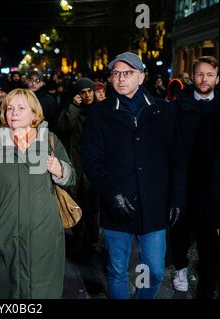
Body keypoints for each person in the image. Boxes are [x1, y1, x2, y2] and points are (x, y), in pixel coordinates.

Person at [82, 52, 185, 299]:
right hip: (116, 206)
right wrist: (112, 194)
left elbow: (177, 160)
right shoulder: (99, 113)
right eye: (115, 73)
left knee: (156, 272)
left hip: (154, 207)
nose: (120, 79)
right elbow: (91, 160)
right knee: (117, 271)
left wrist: (177, 198)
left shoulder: (164, 111)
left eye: (127, 73)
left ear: (141, 77)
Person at [0, 88, 76, 298]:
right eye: (10, 108)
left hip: (44, 234)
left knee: (41, 289)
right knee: (4, 289)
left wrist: (60, 169)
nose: (14, 113)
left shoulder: (50, 141)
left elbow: (73, 178)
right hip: (3, 230)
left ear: (34, 114)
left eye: (21, 108)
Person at [171, 56, 219, 298]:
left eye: (210, 75)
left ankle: (206, 289)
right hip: (184, 183)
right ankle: (180, 268)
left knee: (209, 241)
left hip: (212, 187)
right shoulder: (179, 106)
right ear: (192, 75)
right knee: (180, 230)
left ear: (217, 78)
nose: (204, 79)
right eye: (200, 74)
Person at [58, 78, 101, 255]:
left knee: (92, 206)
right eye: (83, 92)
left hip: (94, 165)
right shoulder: (72, 110)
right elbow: (63, 127)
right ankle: (78, 237)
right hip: (76, 164)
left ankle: (91, 240)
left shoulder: (101, 110)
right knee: (76, 203)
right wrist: (74, 107)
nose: (87, 95)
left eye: (89, 91)